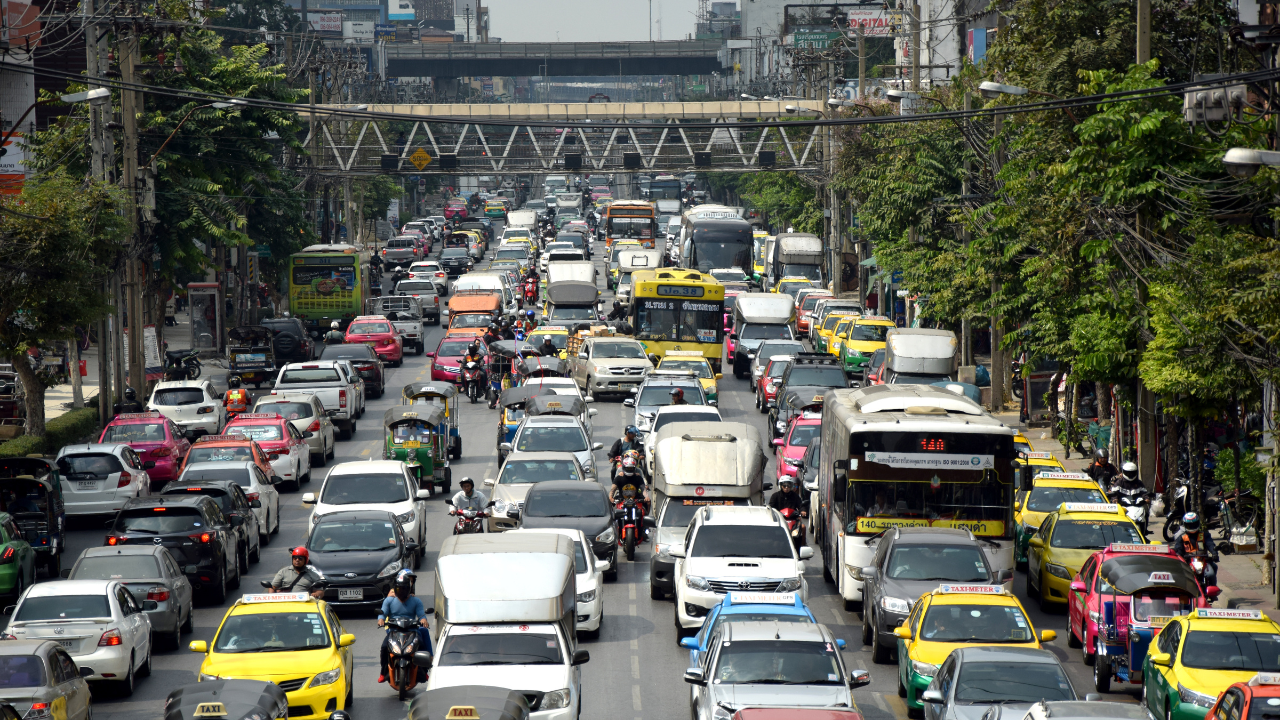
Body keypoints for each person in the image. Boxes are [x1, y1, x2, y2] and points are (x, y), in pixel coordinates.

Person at [377, 569, 432, 684]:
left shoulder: (416, 601)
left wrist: (423, 620)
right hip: (394, 631)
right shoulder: (389, 600)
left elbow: (421, 614)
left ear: (409, 588)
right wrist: (381, 620)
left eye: (404, 588)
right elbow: (383, 613)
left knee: (421, 645)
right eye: (399, 588)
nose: (401, 591)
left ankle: (424, 671)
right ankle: (383, 672)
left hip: (412, 631)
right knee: (383, 647)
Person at [1170, 511, 1219, 586]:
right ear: (1185, 525)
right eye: (1189, 525)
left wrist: (1214, 553)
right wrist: (1178, 556)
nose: (1191, 527)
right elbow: (1178, 549)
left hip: (1204, 561)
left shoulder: (1204, 535)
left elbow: (1210, 544)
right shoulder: (1182, 537)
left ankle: (1212, 591)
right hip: (1188, 562)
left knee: (1212, 572)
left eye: (1193, 525)